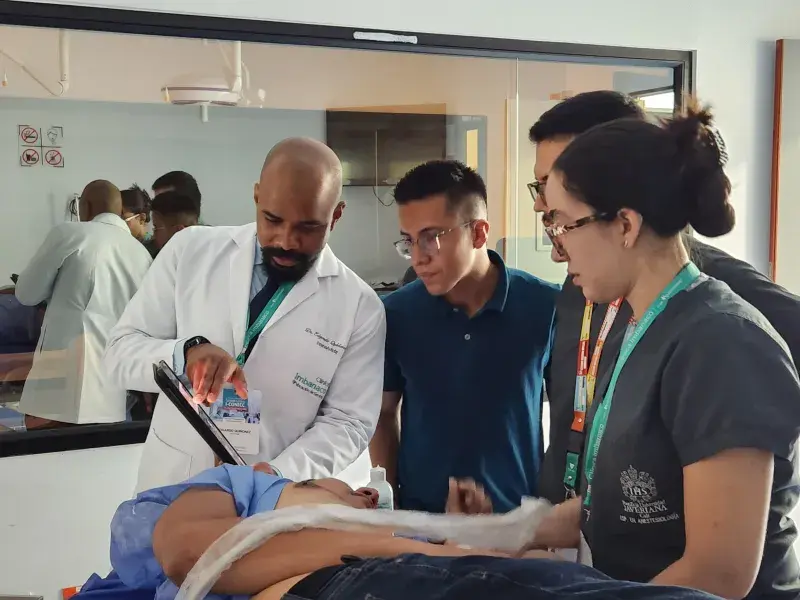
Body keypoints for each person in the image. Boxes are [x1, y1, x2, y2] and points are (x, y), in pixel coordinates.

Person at [530, 102, 800, 599]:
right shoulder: (637, 324)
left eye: (564, 225)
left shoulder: (723, 343)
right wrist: (487, 539)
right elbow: (606, 507)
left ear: (625, 226)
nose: (556, 247)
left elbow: (717, 574)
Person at [104, 137, 386, 493]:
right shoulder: (189, 251)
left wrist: (277, 473)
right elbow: (119, 354)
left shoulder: (359, 306)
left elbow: (349, 423)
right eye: (273, 219)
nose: (286, 241)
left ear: (337, 215)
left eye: (308, 227)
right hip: (175, 479)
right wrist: (186, 353)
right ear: (256, 196)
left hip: (274, 493)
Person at [72, 464, 719, 600]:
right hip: (347, 585)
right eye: (344, 486)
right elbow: (193, 553)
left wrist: (465, 538)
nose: (364, 493)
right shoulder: (232, 485)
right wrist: (407, 541)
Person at [370, 160, 559, 513]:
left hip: (518, 517)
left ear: (479, 233)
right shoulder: (396, 314)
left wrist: (553, 509)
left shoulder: (546, 306)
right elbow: (383, 414)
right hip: (422, 520)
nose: (418, 257)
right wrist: (390, 508)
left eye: (431, 238)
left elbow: (567, 421)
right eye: (409, 241)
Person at [15, 180, 152, 427]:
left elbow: (26, 294)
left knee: (46, 447)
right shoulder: (141, 254)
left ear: (85, 206)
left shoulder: (69, 234)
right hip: (111, 394)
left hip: (59, 387)